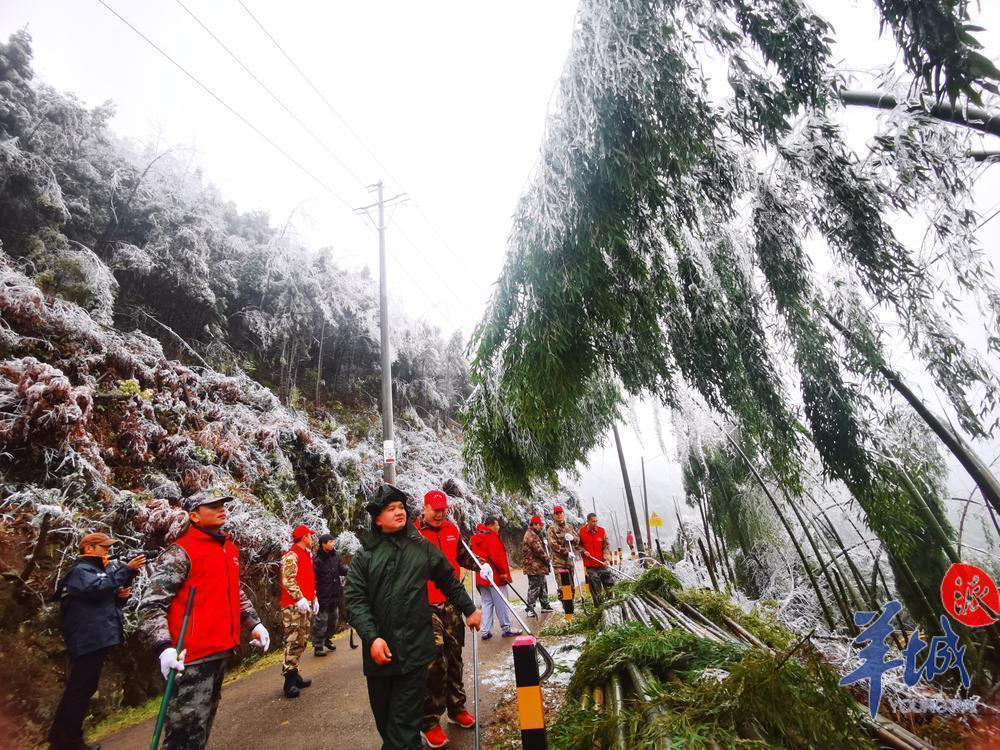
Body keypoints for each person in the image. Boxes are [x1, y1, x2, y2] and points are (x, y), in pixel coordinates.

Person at [345, 485, 481, 750]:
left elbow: (448, 579)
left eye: (401, 508)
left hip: (415, 652)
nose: (398, 512)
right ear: (378, 518)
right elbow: (354, 600)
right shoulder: (365, 556)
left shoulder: (421, 548)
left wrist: (469, 609)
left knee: (403, 730)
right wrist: (371, 638)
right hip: (380, 657)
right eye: (390, 508)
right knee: (388, 727)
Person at [139, 488, 270, 750]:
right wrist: (163, 647)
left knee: (202, 728)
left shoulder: (228, 549)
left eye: (222, 504)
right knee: (184, 734)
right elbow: (151, 604)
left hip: (219, 651)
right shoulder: (181, 553)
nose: (221, 508)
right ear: (195, 516)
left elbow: (235, 592)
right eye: (212, 506)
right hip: (190, 658)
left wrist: (254, 623)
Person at [48, 533, 145, 750]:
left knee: (81, 689)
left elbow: (103, 604)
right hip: (86, 639)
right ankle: (67, 743)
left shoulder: (96, 571)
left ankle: (61, 740)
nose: (107, 552)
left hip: (93, 638)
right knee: (79, 690)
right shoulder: (81, 571)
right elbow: (94, 591)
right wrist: (126, 570)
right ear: (88, 548)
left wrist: (120, 599)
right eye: (104, 547)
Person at [415, 489, 478, 748]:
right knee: (434, 659)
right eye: (435, 509)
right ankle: (429, 721)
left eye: (443, 510)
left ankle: (456, 708)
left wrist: (481, 564)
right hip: (425, 605)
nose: (440, 514)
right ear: (425, 508)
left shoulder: (453, 530)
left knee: (454, 655)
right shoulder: (413, 534)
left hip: (451, 602)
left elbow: (465, 556)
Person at [280, 524, 318, 698]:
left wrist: (314, 598)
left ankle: (295, 675)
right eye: (310, 536)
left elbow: (308, 580)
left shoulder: (305, 555)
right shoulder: (291, 555)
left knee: (302, 640)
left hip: (306, 604)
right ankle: (289, 681)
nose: (312, 538)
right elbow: (288, 580)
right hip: (293, 606)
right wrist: (299, 598)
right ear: (304, 538)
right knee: (293, 640)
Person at [471, 516, 521, 640]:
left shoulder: (475, 539)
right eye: (497, 525)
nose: (498, 527)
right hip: (495, 576)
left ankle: (485, 631)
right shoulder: (491, 538)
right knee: (502, 602)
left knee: (486, 603)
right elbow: (497, 557)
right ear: (492, 525)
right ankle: (506, 628)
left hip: (481, 576)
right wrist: (503, 572)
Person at [312, 533, 348, 657]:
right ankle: (318, 646)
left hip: (335, 595)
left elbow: (341, 570)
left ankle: (327, 639)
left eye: (333, 541)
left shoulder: (335, 557)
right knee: (321, 622)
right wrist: (314, 595)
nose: (332, 544)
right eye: (330, 542)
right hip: (323, 596)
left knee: (334, 621)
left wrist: (353, 570)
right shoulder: (317, 560)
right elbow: (314, 579)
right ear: (323, 544)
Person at [579, 513, 615, 604]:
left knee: (609, 583)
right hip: (590, 565)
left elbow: (606, 546)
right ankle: (599, 607)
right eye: (593, 521)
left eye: (596, 521)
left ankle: (612, 602)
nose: (595, 523)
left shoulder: (602, 531)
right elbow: (577, 546)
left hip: (602, 564)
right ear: (588, 521)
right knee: (595, 585)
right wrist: (583, 551)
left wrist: (606, 559)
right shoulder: (581, 532)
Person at [521, 515, 553, 617]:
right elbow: (538, 551)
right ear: (534, 524)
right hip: (533, 567)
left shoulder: (535, 534)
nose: (541, 527)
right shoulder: (531, 535)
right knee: (534, 587)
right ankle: (530, 608)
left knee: (542, 585)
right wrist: (547, 559)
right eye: (540, 525)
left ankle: (545, 605)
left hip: (538, 567)